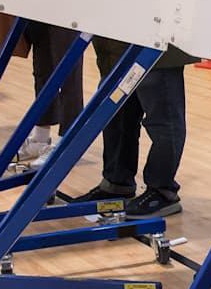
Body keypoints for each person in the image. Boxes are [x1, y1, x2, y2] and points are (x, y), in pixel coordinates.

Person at [72, 38, 193, 219]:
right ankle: (117, 183)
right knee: (116, 116)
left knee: (162, 120)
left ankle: (163, 191)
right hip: (115, 42)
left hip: (158, 39)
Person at [18, 21, 86, 168]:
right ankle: (40, 138)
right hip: (42, 6)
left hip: (69, 8)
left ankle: (67, 143)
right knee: (42, 72)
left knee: (69, 76)